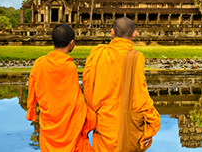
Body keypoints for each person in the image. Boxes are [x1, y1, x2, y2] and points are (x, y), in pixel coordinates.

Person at [83, 17, 160, 151]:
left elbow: (88, 88)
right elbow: (140, 99)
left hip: (102, 124)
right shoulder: (135, 57)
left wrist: (90, 118)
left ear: (112, 32)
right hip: (127, 128)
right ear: (134, 34)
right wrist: (154, 123)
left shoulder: (97, 54)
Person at [26, 24, 96, 152]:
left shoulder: (39, 64)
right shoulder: (69, 67)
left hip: (49, 123)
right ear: (72, 43)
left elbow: (33, 93)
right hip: (68, 127)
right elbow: (75, 101)